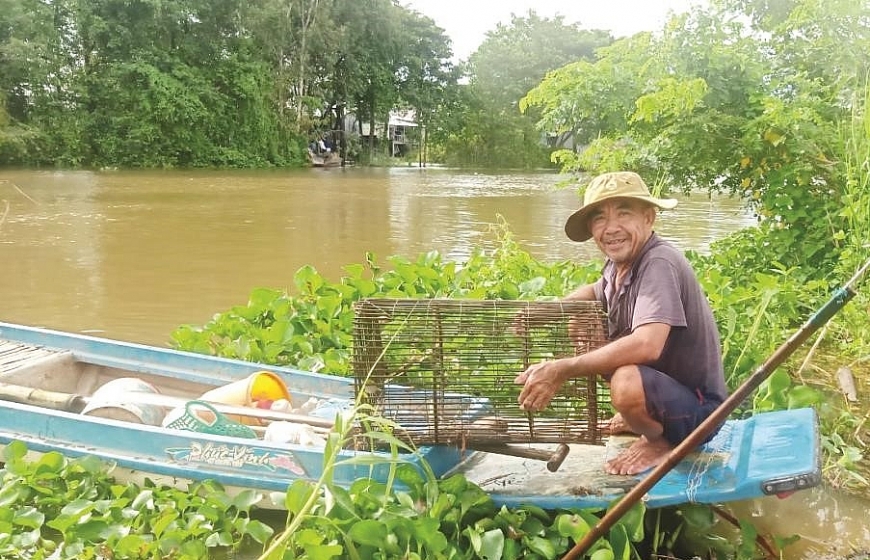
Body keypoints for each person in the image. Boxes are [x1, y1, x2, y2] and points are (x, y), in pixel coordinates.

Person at [514, 171, 728, 476]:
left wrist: (563, 368)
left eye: (624, 213)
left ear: (648, 218)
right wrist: (551, 310)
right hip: (670, 393)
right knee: (583, 317)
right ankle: (645, 417)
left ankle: (661, 439)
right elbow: (594, 292)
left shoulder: (658, 262)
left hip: (701, 414)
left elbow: (648, 344)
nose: (611, 228)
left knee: (626, 383)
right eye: (600, 218)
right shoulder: (619, 265)